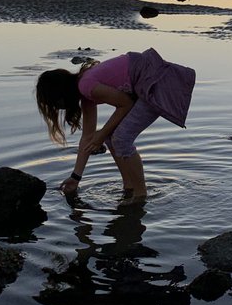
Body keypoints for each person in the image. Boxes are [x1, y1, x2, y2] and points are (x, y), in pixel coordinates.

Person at [35, 48, 196, 203]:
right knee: (112, 137)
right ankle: (129, 186)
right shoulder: (85, 95)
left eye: (54, 104)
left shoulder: (86, 85)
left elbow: (126, 103)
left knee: (121, 138)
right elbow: (87, 138)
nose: (57, 108)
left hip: (155, 83)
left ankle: (140, 194)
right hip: (147, 83)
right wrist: (76, 177)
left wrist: (102, 134)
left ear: (60, 94)